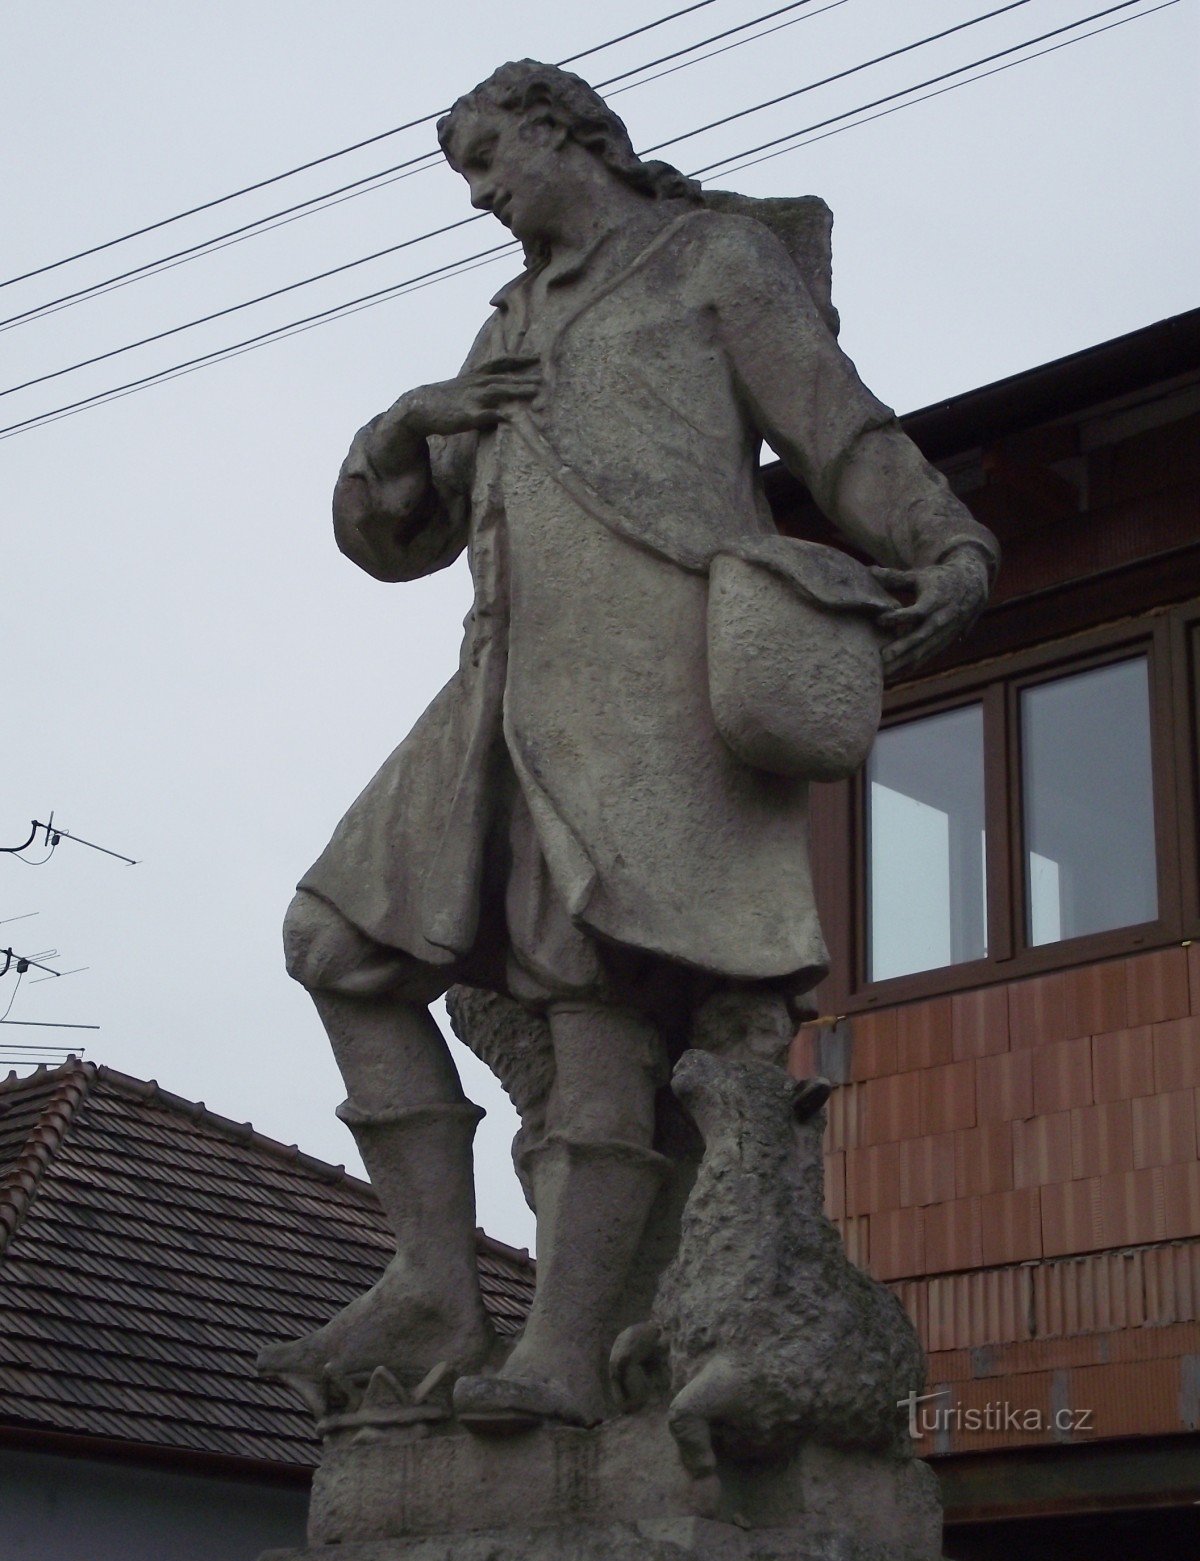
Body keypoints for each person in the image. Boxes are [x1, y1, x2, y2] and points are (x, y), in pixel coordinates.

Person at [260, 60, 998, 1428]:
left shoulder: (706, 258)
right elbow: (401, 543)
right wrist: (405, 425)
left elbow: (836, 429)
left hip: (647, 682)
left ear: (563, 132)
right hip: (497, 688)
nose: (482, 201)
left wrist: (940, 536)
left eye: (491, 164)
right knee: (333, 941)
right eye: (466, 179)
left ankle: (562, 1353)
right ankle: (433, 1276)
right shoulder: (511, 319)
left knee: (595, 1005)